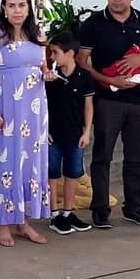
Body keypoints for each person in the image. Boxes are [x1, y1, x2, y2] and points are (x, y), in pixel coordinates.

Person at [77, 0, 140, 229]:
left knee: (135, 159)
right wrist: (109, 80)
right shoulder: (93, 24)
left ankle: (133, 208)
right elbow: (82, 63)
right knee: (102, 156)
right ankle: (100, 209)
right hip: (107, 100)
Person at [0, 0, 51, 247]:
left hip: (34, 112)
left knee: (30, 164)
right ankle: (3, 224)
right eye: (11, 6)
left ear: (28, 8)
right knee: (6, 164)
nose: (17, 10)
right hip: (7, 110)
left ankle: (24, 222)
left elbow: (43, 67)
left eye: (21, 5)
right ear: (4, 9)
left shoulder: (38, 34)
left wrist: (48, 73)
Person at [44, 32, 96, 234]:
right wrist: (44, 130)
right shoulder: (50, 78)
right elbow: (40, 106)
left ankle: (67, 212)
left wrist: (87, 131)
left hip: (75, 134)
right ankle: (54, 214)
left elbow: (88, 105)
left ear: (70, 53)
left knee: (72, 174)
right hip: (53, 134)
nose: (52, 57)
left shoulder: (84, 77)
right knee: (52, 174)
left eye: (55, 52)